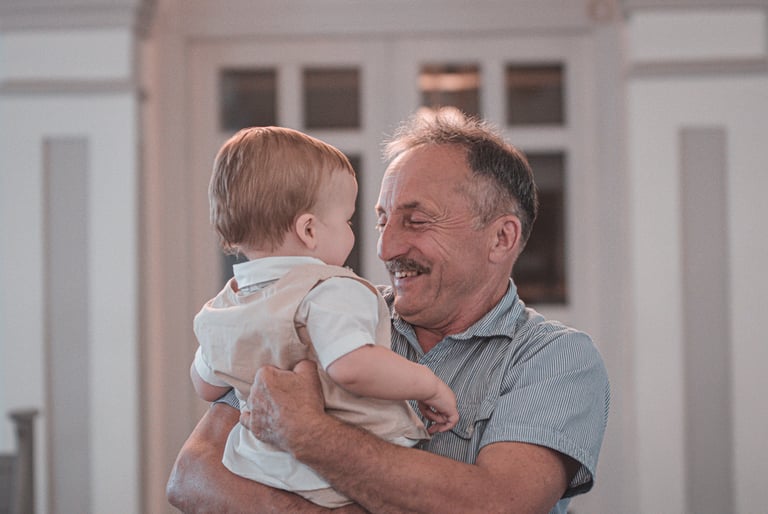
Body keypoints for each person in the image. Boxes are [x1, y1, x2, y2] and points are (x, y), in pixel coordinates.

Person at [167, 109, 610, 514]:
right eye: (382, 220)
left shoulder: (555, 359)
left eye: (416, 221)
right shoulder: (319, 307)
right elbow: (192, 477)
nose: (385, 247)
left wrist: (307, 432)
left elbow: (496, 503)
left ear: (501, 238)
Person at [188, 126, 459, 508]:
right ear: (309, 230)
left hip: (258, 469)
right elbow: (351, 366)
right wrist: (428, 385)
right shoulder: (329, 290)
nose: (359, 235)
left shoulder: (224, 307)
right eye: (347, 221)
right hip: (337, 477)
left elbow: (205, 385)